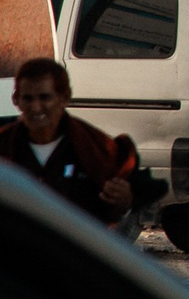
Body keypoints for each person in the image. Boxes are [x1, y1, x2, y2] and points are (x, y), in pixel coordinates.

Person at [1, 58, 138, 229]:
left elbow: (107, 214)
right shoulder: (5, 146)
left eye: (45, 98)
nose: (36, 108)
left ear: (64, 98)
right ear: (16, 100)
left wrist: (122, 204)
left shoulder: (95, 148)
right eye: (28, 99)